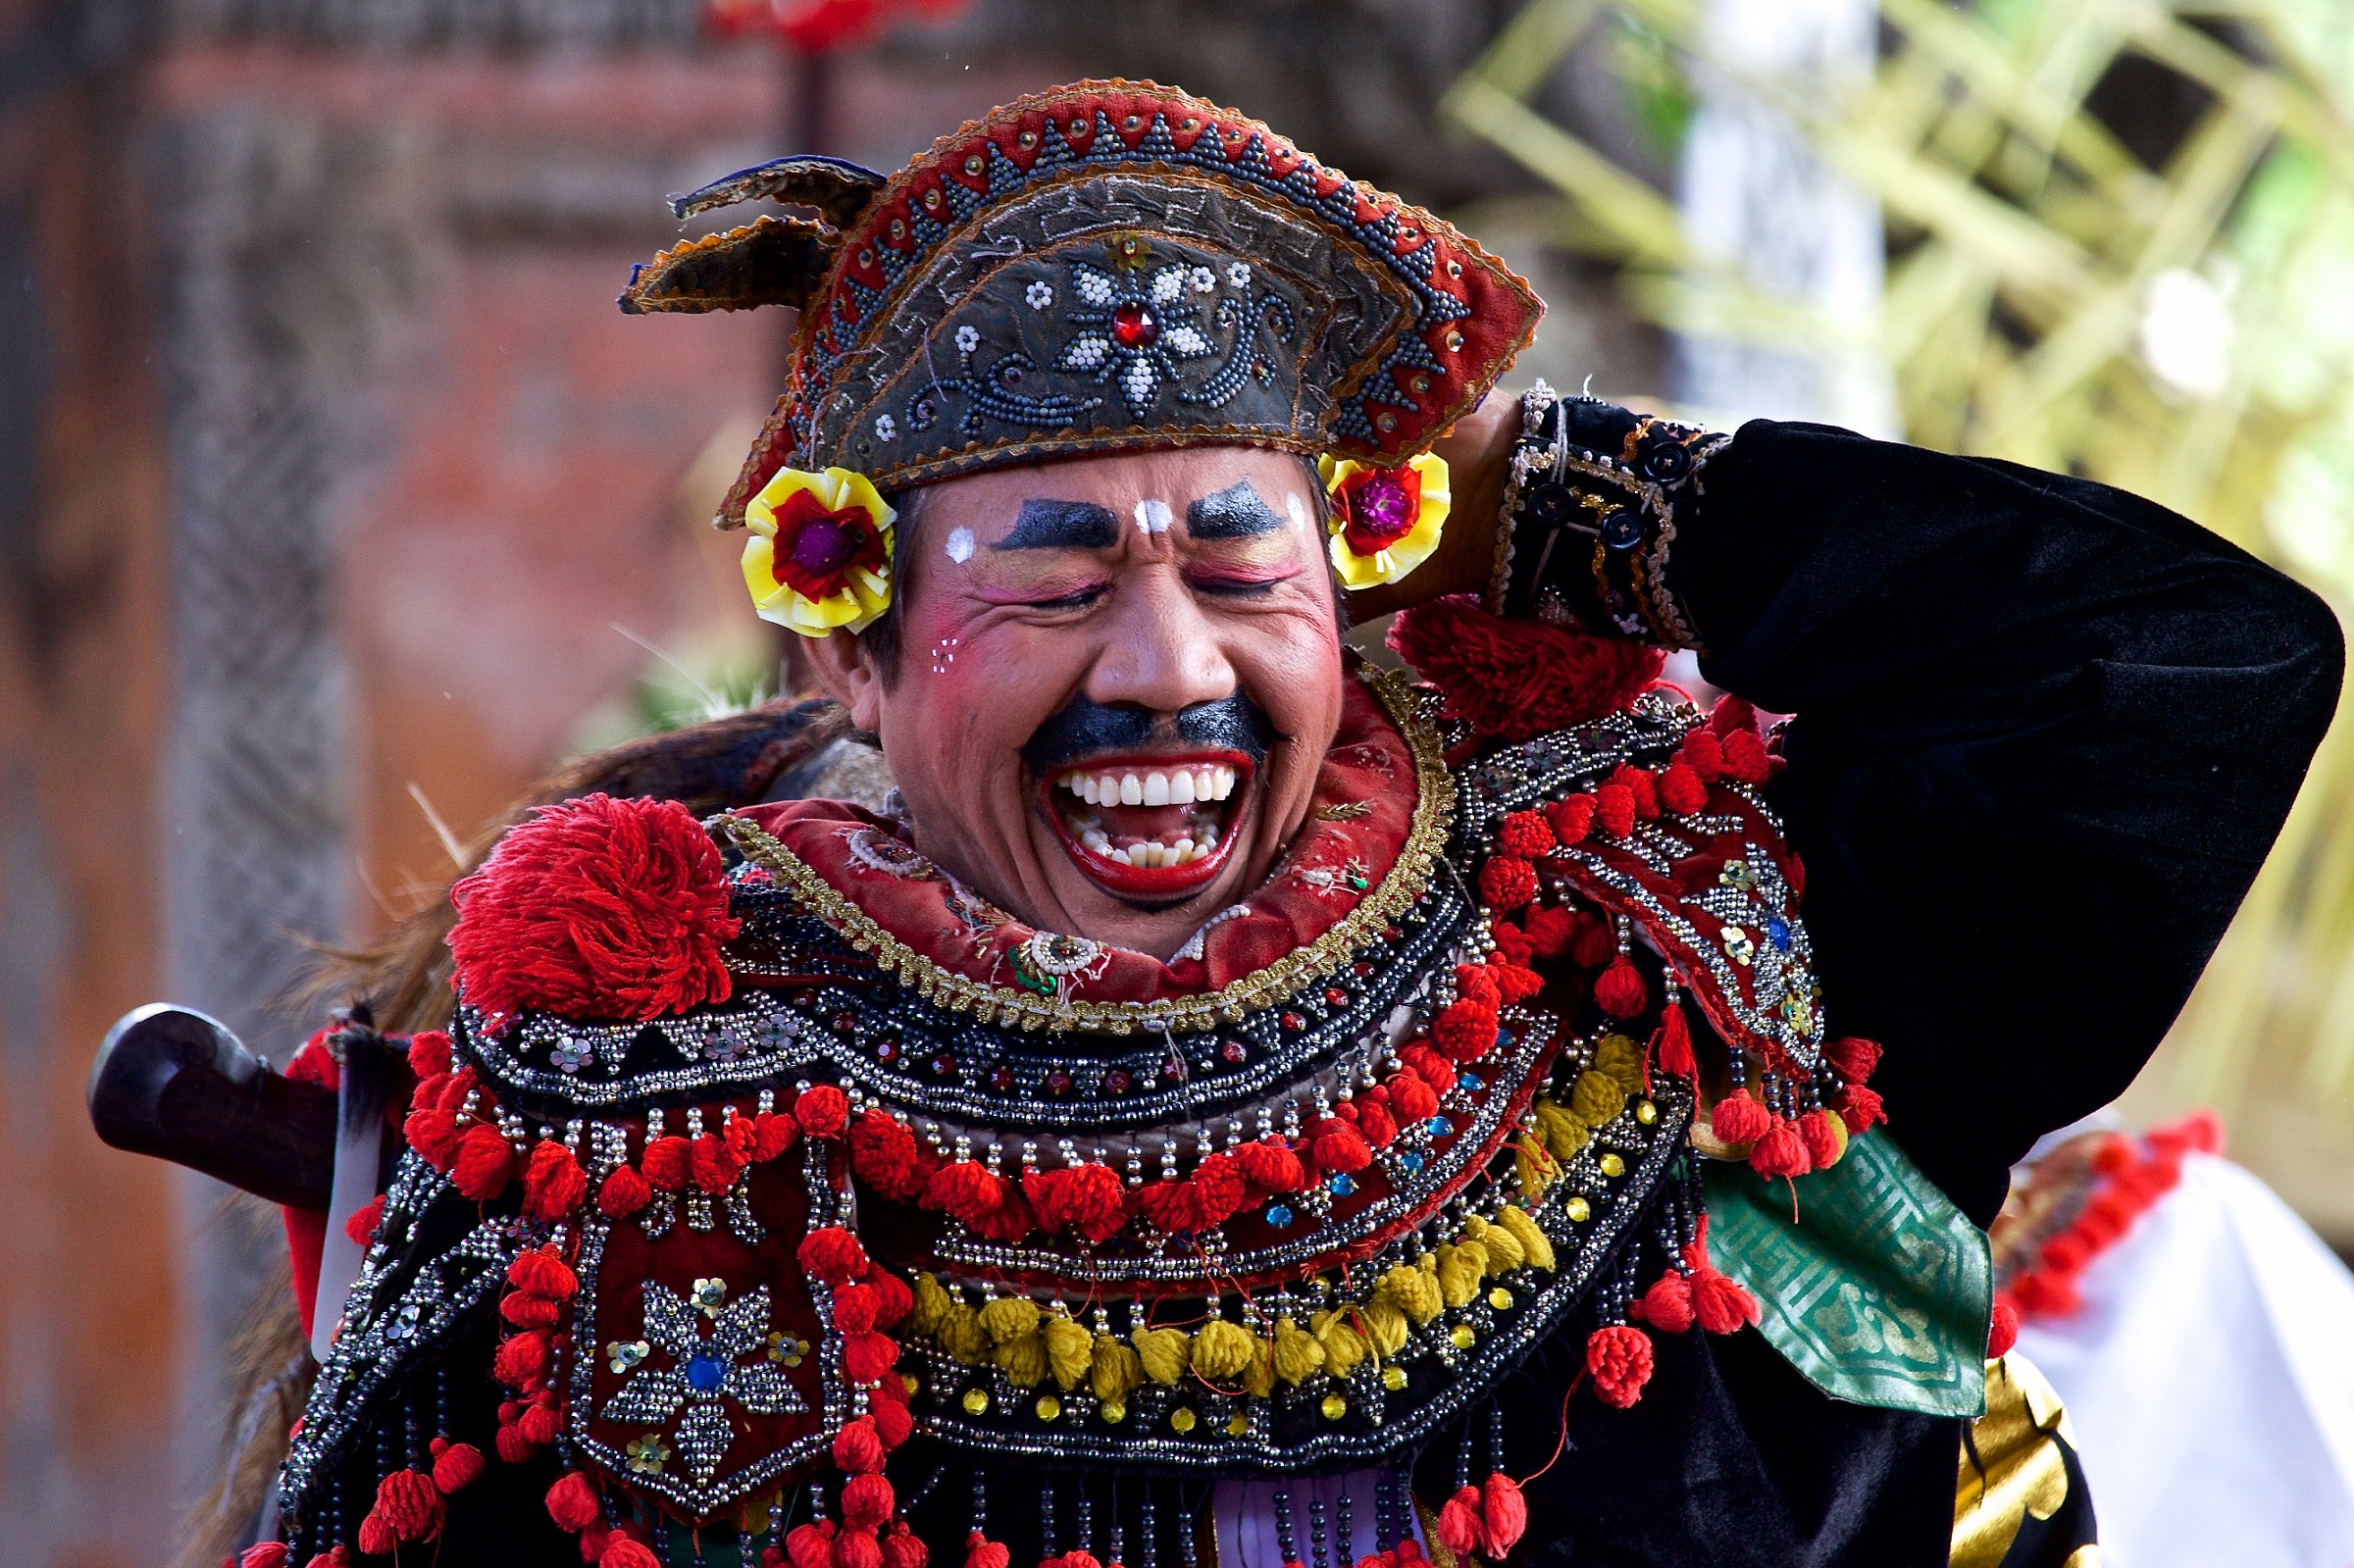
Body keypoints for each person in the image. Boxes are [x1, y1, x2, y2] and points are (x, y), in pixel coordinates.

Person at [201, 80, 2341, 1568]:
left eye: (1240, 558)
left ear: (1372, 571)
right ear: (852, 639)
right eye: (1053, 573)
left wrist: (1547, 498)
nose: (1167, 666)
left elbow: (2178, 672)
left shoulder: (1672, 933)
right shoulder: (646, 1099)